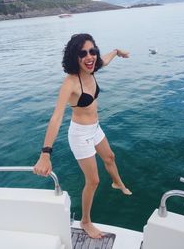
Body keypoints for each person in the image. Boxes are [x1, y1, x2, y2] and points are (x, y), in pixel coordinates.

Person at [33, 33, 132, 239]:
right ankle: (85, 221)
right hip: (80, 135)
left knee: (110, 157)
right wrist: (45, 153)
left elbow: (105, 59)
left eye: (92, 51)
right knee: (93, 180)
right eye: (83, 53)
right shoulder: (70, 82)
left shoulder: (93, 67)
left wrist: (116, 51)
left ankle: (116, 183)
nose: (90, 57)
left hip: (95, 127)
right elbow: (56, 118)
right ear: (74, 57)